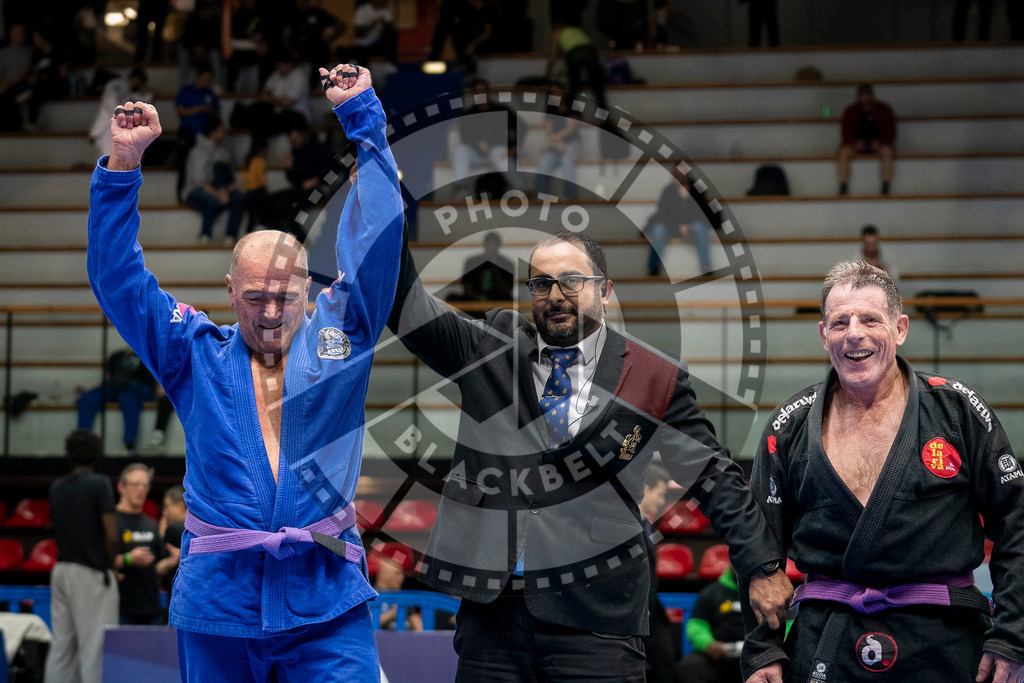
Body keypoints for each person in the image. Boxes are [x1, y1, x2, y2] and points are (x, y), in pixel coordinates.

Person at [87, 63, 401, 681]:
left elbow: (380, 239)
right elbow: (117, 280)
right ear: (230, 291)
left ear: (311, 291)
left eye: (286, 297)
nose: (271, 312)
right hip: (219, 601)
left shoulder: (343, 338)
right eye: (256, 297)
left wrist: (364, 118)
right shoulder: (194, 354)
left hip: (326, 597)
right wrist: (123, 166)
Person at [387, 228, 792, 681]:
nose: (555, 295)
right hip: (492, 616)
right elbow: (409, 310)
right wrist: (387, 212)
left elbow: (713, 477)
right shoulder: (491, 347)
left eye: (571, 281)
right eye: (541, 284)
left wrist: (762, 566)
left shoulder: (654, 375)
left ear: (604, 290)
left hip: (598, 615)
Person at [741, 260, 1024, 683]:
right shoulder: (789, 427)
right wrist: (762, 649)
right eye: (840, 322)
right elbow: (759, 547)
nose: (854, 333)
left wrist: (1013, 635)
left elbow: (1017, 521)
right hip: (828, 641)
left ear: (900, 328)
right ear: (823, 335)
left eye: (870, 319)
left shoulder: (956, 411)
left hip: (944, 639)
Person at [44, 430, 119, 683]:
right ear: (96, 454)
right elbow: (112, 535)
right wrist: (112, 565)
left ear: (69, 454)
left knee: (61, 647)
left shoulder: (56, 487)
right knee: (95, 647)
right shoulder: (99, 483)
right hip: (91, 572)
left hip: (61, 570)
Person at [76, 348, 156, 453]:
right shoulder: (118, 356)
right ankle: (82, 441)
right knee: (87, 399)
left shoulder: (147, 355)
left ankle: (129, 445)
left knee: (129, 399)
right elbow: (110, 374)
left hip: (136, 389)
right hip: (114, 386)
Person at [182, 115, 246, 244]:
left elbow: (228, 176)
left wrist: (227, 190)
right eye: (222, 129)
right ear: (214, 131)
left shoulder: (222, 151)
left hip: (220, 190)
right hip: (196, 191)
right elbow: (199, 182)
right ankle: (205, 235)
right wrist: (219, 194)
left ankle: (230, 236)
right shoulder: (199, 151)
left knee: (239, 198)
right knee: (212, 200)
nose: (225, 132)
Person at [676, 565, 744, 683]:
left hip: (755, 655)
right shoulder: (711, 592)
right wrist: (709, 644)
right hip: (719, 656)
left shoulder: (767, 593)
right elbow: (696, 625)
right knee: (690, 666)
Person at [113, 463, 162, 626]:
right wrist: (128, 559)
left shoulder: (152, 524)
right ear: (121, 487)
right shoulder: (111, 522)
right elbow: (100, 562)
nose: (140, 489)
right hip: (120, 608)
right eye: (135, 484)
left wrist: (171, 561)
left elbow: (157, 566)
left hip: (151, 608)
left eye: (145, 485)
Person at [641, 464, 676, 683]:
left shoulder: (646, 524)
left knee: (665, 669)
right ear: (646, 488)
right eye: (660, 494)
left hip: (653, 612)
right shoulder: (632, 525)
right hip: (640, 612)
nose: (662, 501)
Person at [270, 118, 334, 232]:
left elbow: (335, 169)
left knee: (288, 206)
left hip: (319, 192)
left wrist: (318, 180)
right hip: (302, 190)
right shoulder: (296, 153)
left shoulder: (318, 148)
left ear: (302, 135)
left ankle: (298, 237)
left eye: (295, 140)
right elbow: (295, 180)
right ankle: (278, 233)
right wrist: (289, 168)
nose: (294, 143)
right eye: (292, 141)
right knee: (273, 200)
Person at [645, 179, 713, 277]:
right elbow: (663, 215)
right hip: (671, 228)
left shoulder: (697, 191)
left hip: (691, 228)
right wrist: (678, 227)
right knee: (658, 229)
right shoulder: (668, 192)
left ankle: (706, 265)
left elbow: (703, 213)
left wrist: (688, 225)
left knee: (699, 227)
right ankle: (653, 266)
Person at [837, 84, 896, 196]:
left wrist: (880, 141)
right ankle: (843, 186)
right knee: (843, 152)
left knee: (887, 151)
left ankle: (885, 185)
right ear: (859, 97)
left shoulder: (883, 109)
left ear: (872, 96)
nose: (865, 100)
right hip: (856, 145)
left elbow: (891, 131)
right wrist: (854, 143)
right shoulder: (851, 111)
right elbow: (845, 132)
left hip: (878, 144)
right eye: (863, 96)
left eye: (867, 96)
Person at [174, 61, 220, 203]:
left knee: (206, 164)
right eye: (206, 78)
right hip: (187, 132)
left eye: (210, 79)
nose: (208, 82)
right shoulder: (186, 91)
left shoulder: (210, 93)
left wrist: (209, 111)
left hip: (204, 136)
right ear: (198, 76)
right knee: (184, 164)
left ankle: (203, 194)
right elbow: (180, 111)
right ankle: (182, 196)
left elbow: (217, 114)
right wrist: (200, 109)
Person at [89, 66, 152, 158]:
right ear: (136, 79)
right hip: (107, 129)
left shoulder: (126, 90)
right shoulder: (117, 85)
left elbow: (139, 98)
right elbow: (112, 105)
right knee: (110, 160)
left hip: (112, 129)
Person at [447, 231, 515, 313]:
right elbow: (467, 287)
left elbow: (506, 292)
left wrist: (496, 270)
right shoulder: (472, 262)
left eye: (494, 245)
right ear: (485, 245)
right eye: (489, 244)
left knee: (514, 302)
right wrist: (479, 300)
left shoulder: (507, 264)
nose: (491, 248)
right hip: (474, 301)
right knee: (451, 298)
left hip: (497, 301)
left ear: (498, 246)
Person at [534, 86, 581, 201]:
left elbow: (569, 130)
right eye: (553, 93)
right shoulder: (550, 111)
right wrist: (552, 142)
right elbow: (549, 131)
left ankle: (570, 196)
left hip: (572, 142)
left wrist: (555, 140)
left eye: (559, 91)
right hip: (556, 143)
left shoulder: (573, 109)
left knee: (567, 160)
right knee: (544, 160)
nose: (557, 95)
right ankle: (541, 195)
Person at [156, 484, 187, 617]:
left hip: (177, 602)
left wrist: (161, 534)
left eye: (167, 506)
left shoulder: (174, 530)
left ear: (180, 506)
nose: (164, 512)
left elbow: (158, 567)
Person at [374, 556, 423, 631]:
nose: (402, 577)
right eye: (397, 573)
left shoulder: (402, 599)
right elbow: (369, 624)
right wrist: (392, 614)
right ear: (385, 574)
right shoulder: (370, 596)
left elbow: (419, 627)